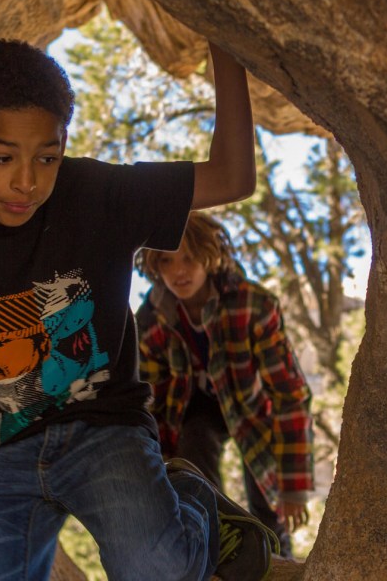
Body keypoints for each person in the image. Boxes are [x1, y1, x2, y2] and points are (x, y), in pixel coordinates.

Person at [0, 38, 276, 581]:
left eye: (47, 157)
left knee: (156, 568)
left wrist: (227, 48)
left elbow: (231, 178)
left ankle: (193, 503)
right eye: (1, 157)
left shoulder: (95, 193)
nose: (27, 181)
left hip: (102, 429)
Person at [135, 211, 314, 558]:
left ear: (209, 255)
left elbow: (289, 394)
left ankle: (279, 561)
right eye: (168, 262)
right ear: (156, 267)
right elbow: (152, 403)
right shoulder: (152, 321)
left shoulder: (253, 305)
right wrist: (162, 472)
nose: (179, 272)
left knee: (268, 505)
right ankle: (218, 552)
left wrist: (293, 487)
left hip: (251, 407)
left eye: (189, 258)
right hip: (193, 411)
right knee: (194, 458)